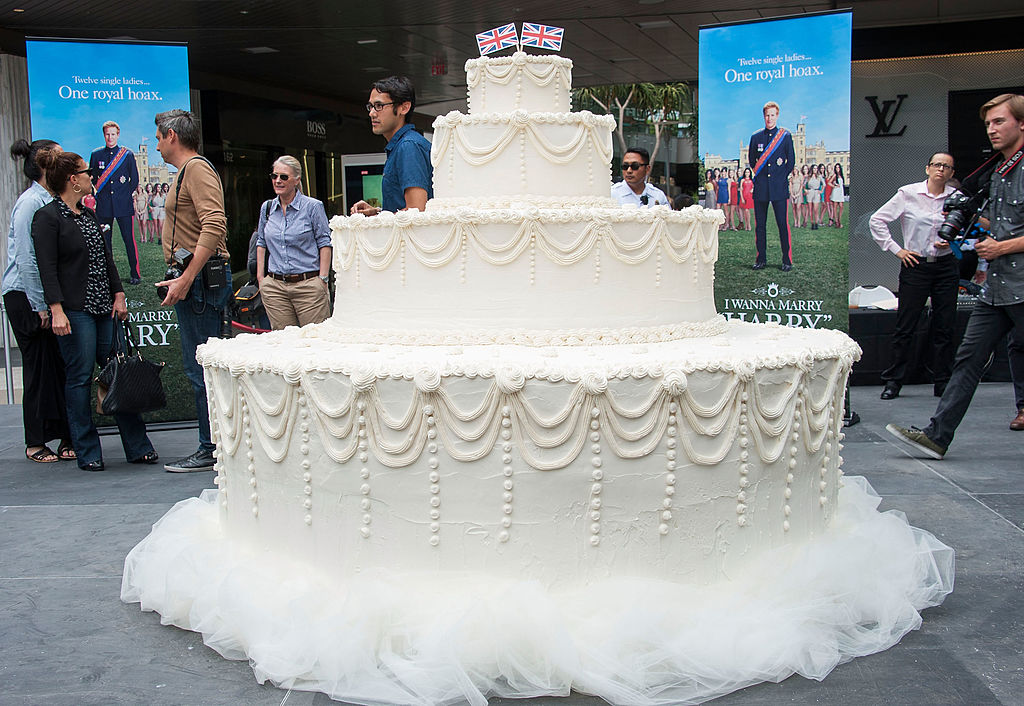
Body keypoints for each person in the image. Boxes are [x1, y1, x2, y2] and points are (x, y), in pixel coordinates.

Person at [888, 94, 1024, 457]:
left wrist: (1001, 247)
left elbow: (1008, 237)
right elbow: (1002, 224)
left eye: (999, 122)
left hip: (1022, 283)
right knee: (967, 357)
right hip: (996, 288)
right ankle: (938, 436)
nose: (992, 129)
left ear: (1021, 123)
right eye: (988, 124)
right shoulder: (997, 170)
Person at [31, 149, 157, 472]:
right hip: (75, 310)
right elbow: (46, 268)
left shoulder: (89, 215)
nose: (92, 175)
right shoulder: (47, 218)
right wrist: (56, 309)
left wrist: (119, 294)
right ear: (73, 180)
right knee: (80, 377)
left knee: (117, 371)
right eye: (86, 172)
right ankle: (87, 450)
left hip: (104, 307)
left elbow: (107, 259)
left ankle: (138, 445)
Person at [153, 109, 231, 473]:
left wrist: (186, 278)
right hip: (194, 280)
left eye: (157, 137)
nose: (156, 145)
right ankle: (212, 444)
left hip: (199, 282)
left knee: (202, 369)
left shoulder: (197, 169)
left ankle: (212, 447)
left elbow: (214, 224)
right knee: (199, 368)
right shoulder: (188, 171)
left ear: (171, 135)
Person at [3, 139, 75, 464]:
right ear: (46, 166)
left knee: (58, 366)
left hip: (46, 297)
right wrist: (40, 306)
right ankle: (35, 441)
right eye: (59, 158)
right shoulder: (29, 202)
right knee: (36, 369)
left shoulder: (51, 200)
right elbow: (26, 259)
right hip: (25, 296)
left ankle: (63, 437)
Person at [870, 152, 960, 400]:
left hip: (945, 265)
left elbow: (973, 228)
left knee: (944, 326)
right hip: (916, 264)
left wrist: (953, 242)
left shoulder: (957, 198)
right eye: (937, 165)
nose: (941, 169)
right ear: (927, 168)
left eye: (947, 167)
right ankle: (894, 382)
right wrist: (897, 250)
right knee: (906, 325)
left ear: (952, 173)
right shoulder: (908, 193)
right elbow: (877, 220)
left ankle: (942, 381)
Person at [256, 155, 332, 329]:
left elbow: (325, 242)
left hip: (308, 285)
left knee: (313, 340)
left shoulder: (313, 207)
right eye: (274, 176)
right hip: (275, 287)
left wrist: (322, 279)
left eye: (284, 177)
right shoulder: (267, 208)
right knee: (284, 344)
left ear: (297, 180)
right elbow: (261, 242)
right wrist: (261, 279)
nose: (278, 181)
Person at [351, 76, 433, 215]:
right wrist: (377, 212)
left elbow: (416, 211)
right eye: (370, 106)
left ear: (404, 108)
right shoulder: (403, 145)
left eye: (379, 106)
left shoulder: (408, 146)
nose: (372, 113)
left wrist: (380, 219)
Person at [89, 121, 141, 284]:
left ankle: (135, 273)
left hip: (123, 205)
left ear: (118, 135)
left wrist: (124, 196)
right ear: (103, 135)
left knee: (128, 240)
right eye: (107, 134)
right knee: (106, 243)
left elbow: (134, 180)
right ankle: (108, 276)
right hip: (104, 206)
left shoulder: (127, 155)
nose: (110, 137)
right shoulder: (96, 155)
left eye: (113, 134)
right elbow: (93, 179)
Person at [748, 101, 795, 271]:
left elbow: (791, 162)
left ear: (777, 116)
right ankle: (761, 259)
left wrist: (780, 178)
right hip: (761, 188)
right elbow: (752, 161)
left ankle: (786, 260)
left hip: (779, 188)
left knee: (782, 224)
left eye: (773, 115)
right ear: (764, 116)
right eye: (767, 115)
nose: (770, 118)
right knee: (760, 226)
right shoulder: (756, 137)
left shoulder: (785, 136)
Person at [804, 165, 822, 231]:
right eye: (814, 168)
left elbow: (824, 184)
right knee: (810, 209)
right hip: (810, 192)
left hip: (816, 192)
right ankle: (812, 223)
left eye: (816, 168)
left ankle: (816, 223)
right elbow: (803, 185)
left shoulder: (819, 177)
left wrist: (821, 191)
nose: (815, 169)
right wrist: (805, 190)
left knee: (815, 209)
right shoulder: (808, 177)